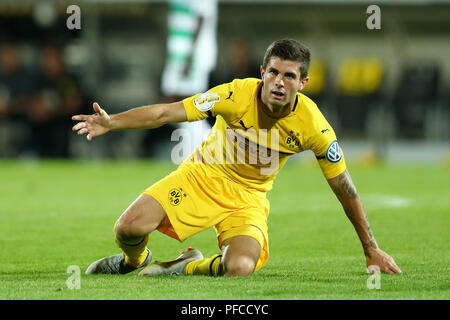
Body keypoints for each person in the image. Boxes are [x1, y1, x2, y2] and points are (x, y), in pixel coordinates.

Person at [72, 39, 402, 277]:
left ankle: (187, 265)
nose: (278, 82)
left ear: (303, 82)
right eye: (273, 72)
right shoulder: (233, 95)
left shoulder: (314, 126)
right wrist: (112, 122)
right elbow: (163, 112)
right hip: (200, 177)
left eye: (289, 76)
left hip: (248, 199)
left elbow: (345, 189)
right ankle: (135, 261)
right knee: (127, 228)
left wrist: (371, 249)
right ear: (262, 72)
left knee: (240, 268)